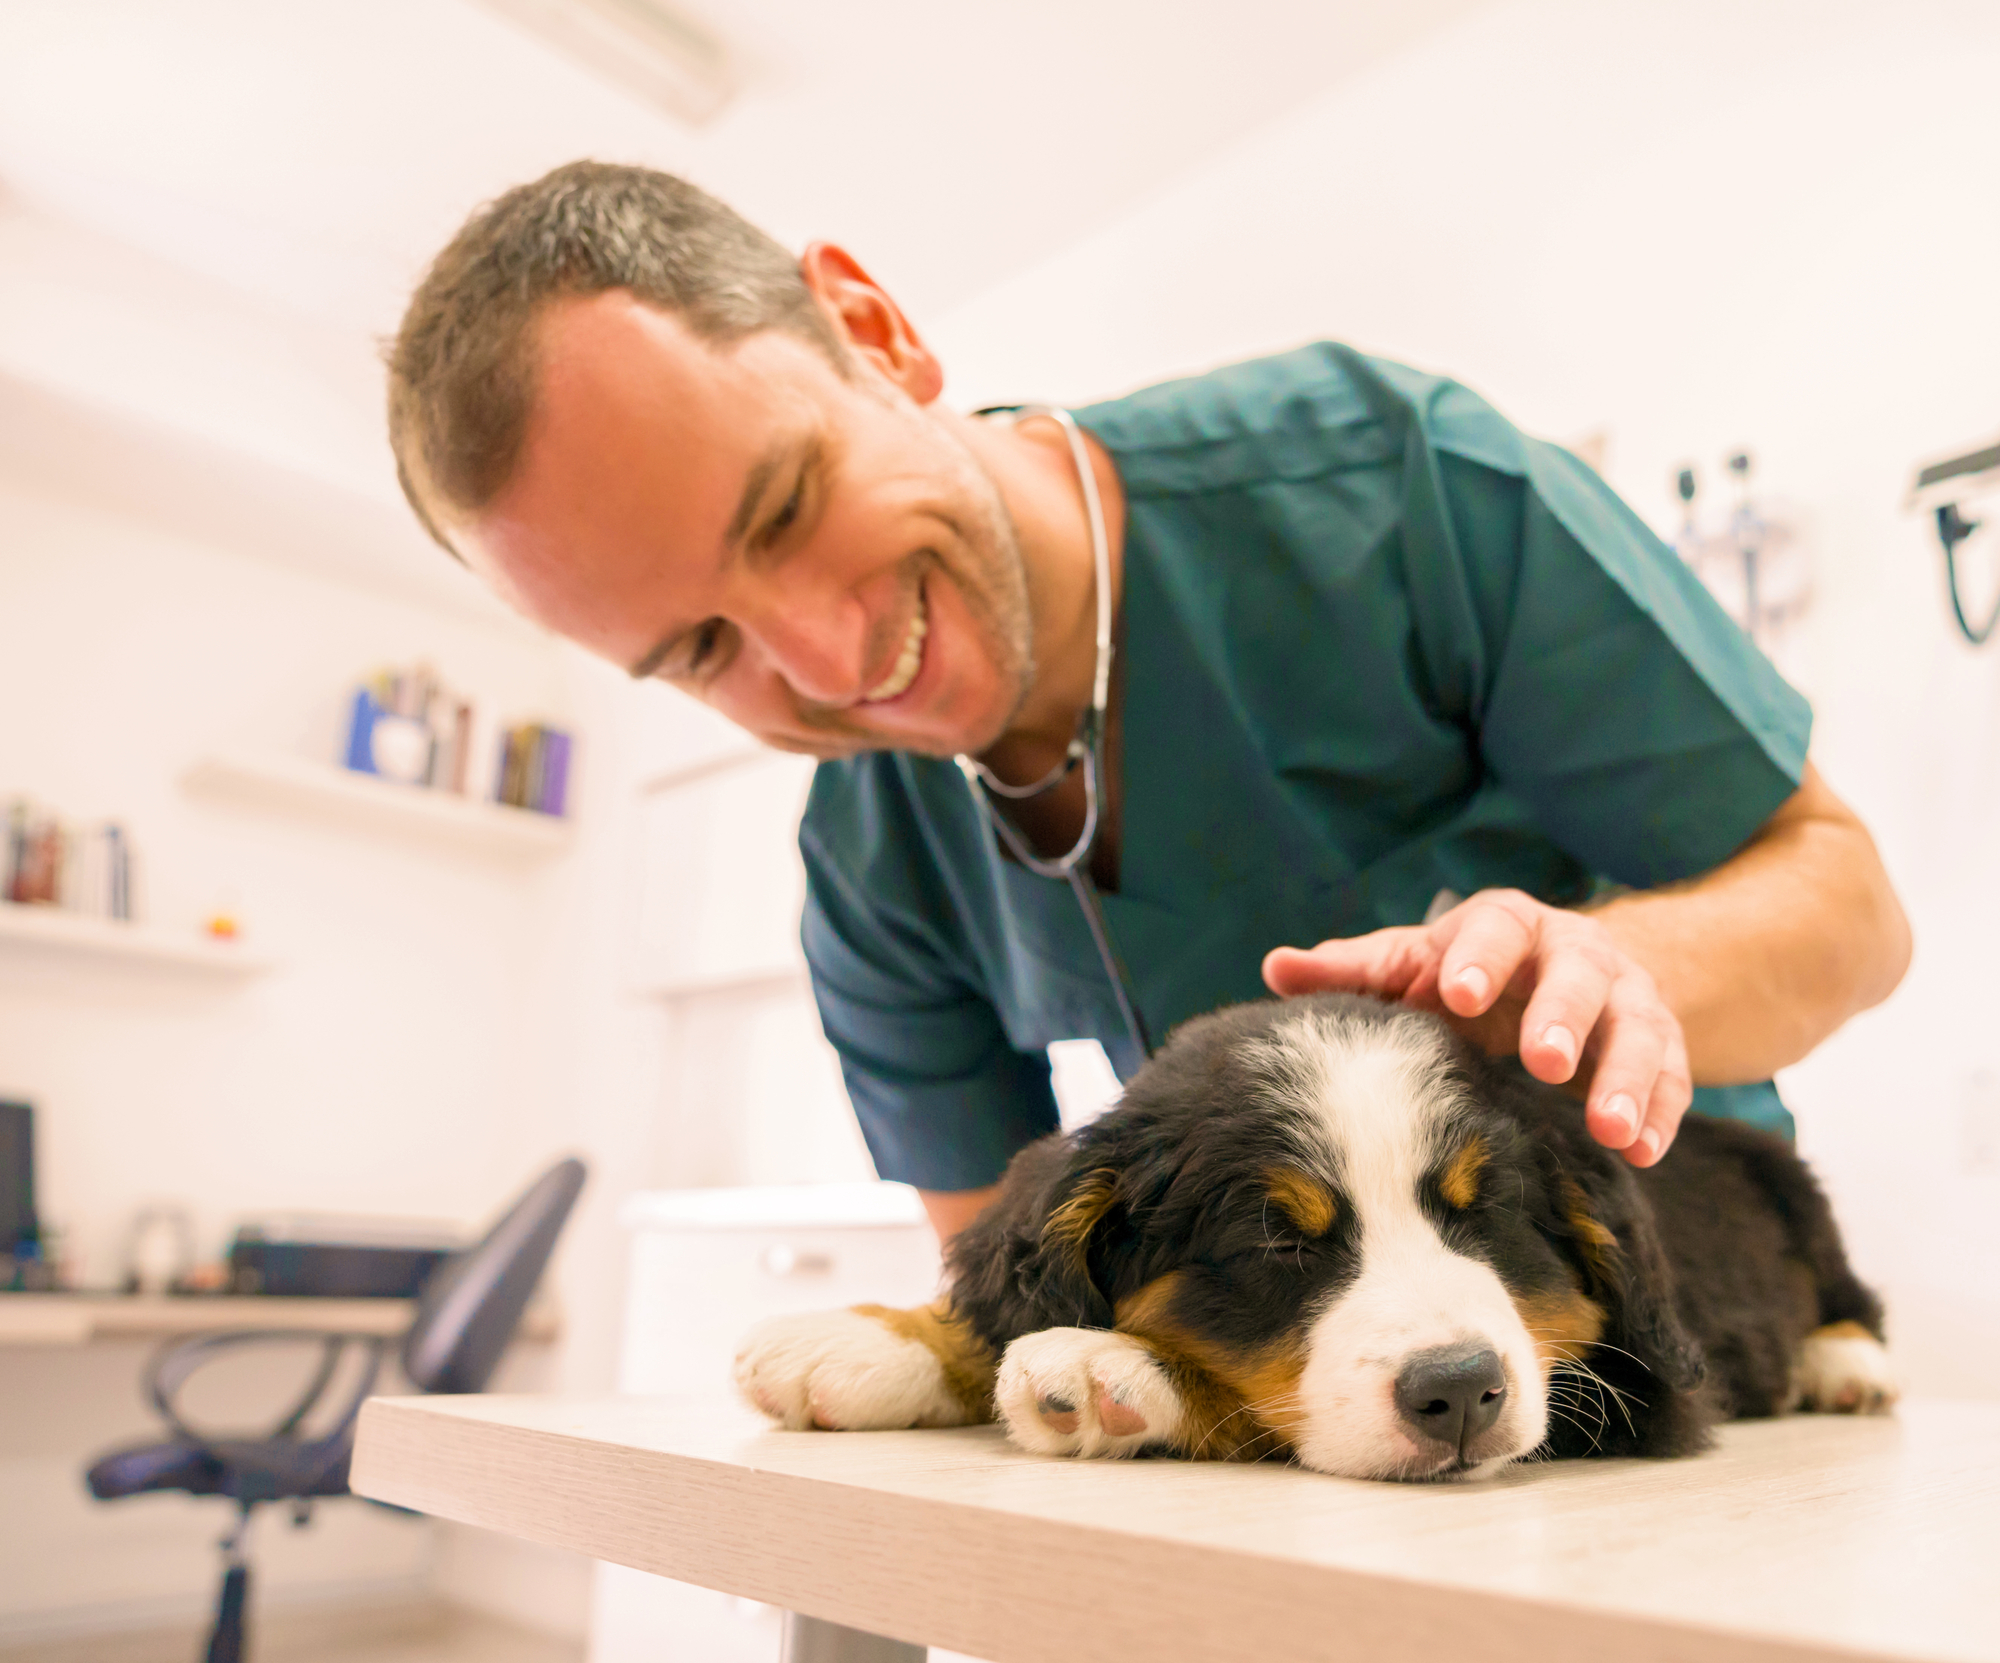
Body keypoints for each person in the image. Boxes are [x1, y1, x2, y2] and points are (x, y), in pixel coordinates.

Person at [386, 162, 1911, 1243]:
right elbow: (1006, 1286)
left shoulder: (1400, 489)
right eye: (702, 651)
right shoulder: (871, 868)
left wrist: (1616, 966)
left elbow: (1854, 915)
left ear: (876, 328)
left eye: (787, 508)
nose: (829, 662)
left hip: (1673, 1335)